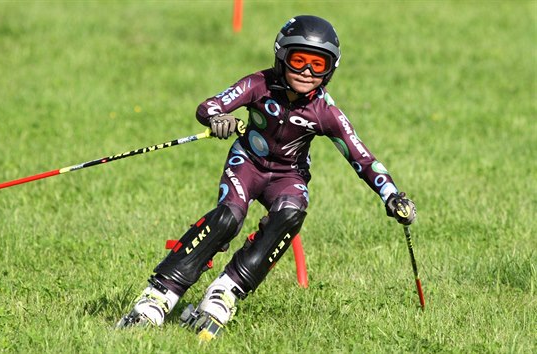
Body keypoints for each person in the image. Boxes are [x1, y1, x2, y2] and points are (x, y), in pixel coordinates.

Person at [117, 15, 416, 339]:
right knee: (228, 217)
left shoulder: (325, 112)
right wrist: (219, 118)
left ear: (331, 68)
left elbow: (363, 159)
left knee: (291, 213)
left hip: (287, 175)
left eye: (318, 64)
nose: (306, 72)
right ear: (280, 56)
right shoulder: (258, 84)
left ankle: (226, 290)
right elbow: (210, 105)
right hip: (247, 162)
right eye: (298, 60)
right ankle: (159, 295)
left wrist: (392, 196)